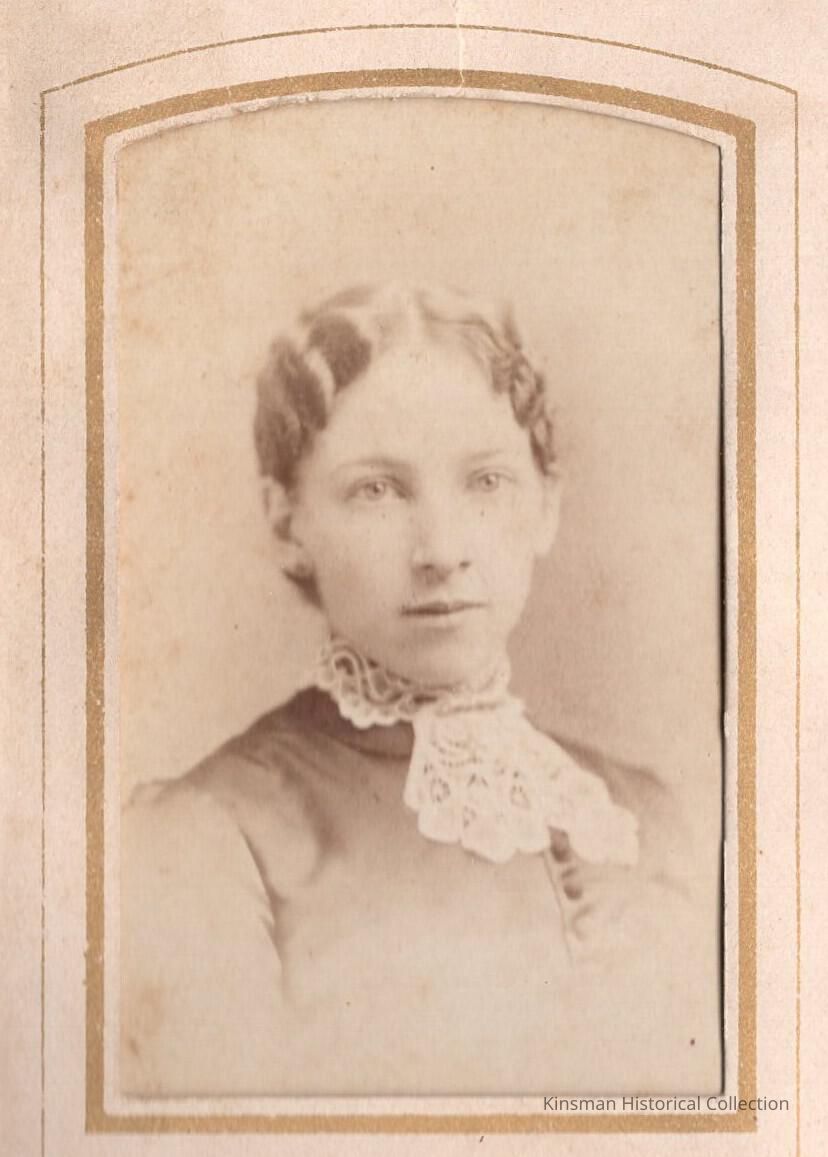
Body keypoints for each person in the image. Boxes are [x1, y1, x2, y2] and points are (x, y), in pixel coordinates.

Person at [120, 282, 720, 1097]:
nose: (441, 549)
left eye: (486, 481)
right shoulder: (204, 839)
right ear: (287, 523)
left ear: (547, 503)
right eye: (377, 488)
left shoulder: (649, 815)